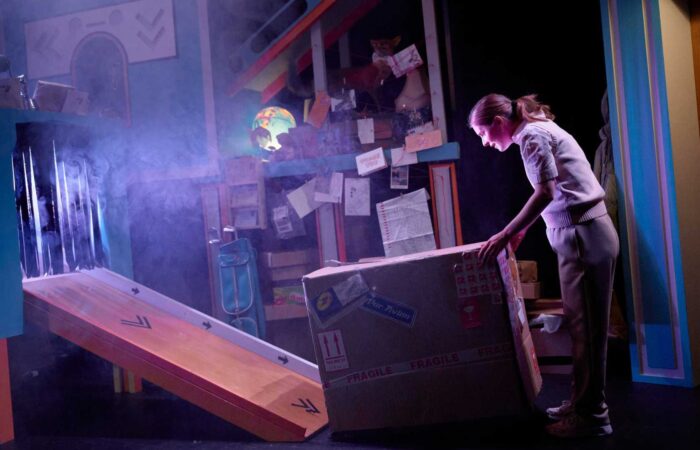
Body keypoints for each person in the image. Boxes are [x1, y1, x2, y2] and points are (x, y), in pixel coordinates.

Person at [469, 93, 619, 438]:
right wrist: (521, 230)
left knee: (588, 333)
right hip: (581, 236)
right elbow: (556, 190)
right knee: (582, 329)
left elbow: (547, 193)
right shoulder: (534, 130)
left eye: (482, 133)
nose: (485, 142)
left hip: (583, 238)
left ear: (498, 123)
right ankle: (582, 403)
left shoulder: (533, 136)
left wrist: (507, 233)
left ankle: (593, 416)